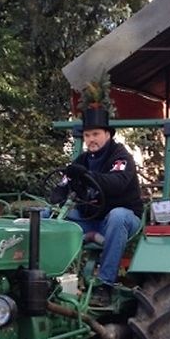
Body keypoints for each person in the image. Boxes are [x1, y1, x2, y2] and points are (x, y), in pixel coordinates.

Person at [52, 106, 143, 308]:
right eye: (87, 135)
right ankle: (51, 280)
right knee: (51, 217)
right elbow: (63, 184)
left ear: (107, 134)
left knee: (118, 216)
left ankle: (105, 285)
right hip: (91, 219)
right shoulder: (83, 160)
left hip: (124, 220)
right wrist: (58, 194)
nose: (91, 139)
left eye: (95, 134)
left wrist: (88, 175)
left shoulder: (121, 157)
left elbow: (117, 182)